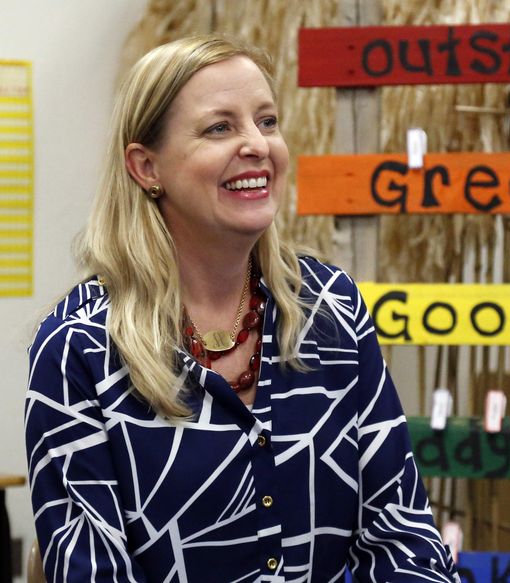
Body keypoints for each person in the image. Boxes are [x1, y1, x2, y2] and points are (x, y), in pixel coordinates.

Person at [24, 35, 458, 582]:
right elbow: (89, 568)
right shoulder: (79, 346)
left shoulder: (330, 308)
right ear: (146, 167)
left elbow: (402, 534)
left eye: (268, 121)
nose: (258, 145)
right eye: (220, 127)